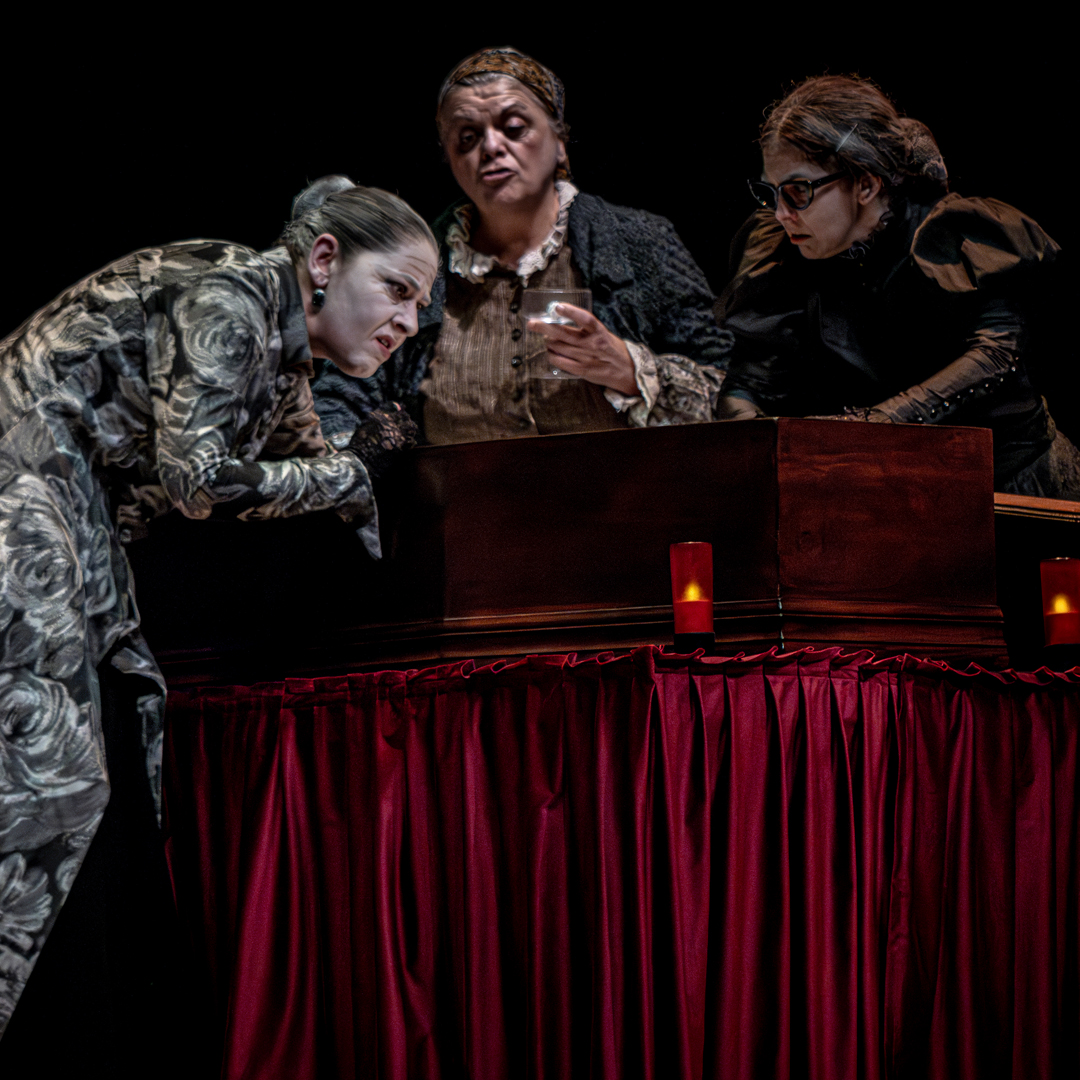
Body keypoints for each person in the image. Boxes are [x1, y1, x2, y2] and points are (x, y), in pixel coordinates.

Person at [0, 183, 436, 1044]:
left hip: (75, 513)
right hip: (22, 496)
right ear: (323, 260)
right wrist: (353, 469)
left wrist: (361, 479)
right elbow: (201, 483)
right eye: (397, 289)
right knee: (56, 780)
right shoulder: (234, 291)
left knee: (116, 748)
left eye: (420, 304)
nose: (409, 323)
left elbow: (323, 481)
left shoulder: (285, 359)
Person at [312, 47, 731, 445]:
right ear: (450, 159)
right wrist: (355, 457)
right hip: (459, 498)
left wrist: (632, 371)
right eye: (467, 137)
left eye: (514, 128)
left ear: (559, 142)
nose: (491, 147)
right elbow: (338, 399)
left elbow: (731, 390)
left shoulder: (638, 243)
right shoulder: (409, 270)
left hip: (628, 496)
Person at [715, 74, 1080, 497]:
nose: (781, 213)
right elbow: (747, 383)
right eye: (771, 193)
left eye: (798, 190)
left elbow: (995, 355)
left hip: (1015, 487)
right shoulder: (784, 253)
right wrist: (760, 445)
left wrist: (870, 426)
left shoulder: (948, 234)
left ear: (866, 184)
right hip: (893, 491)